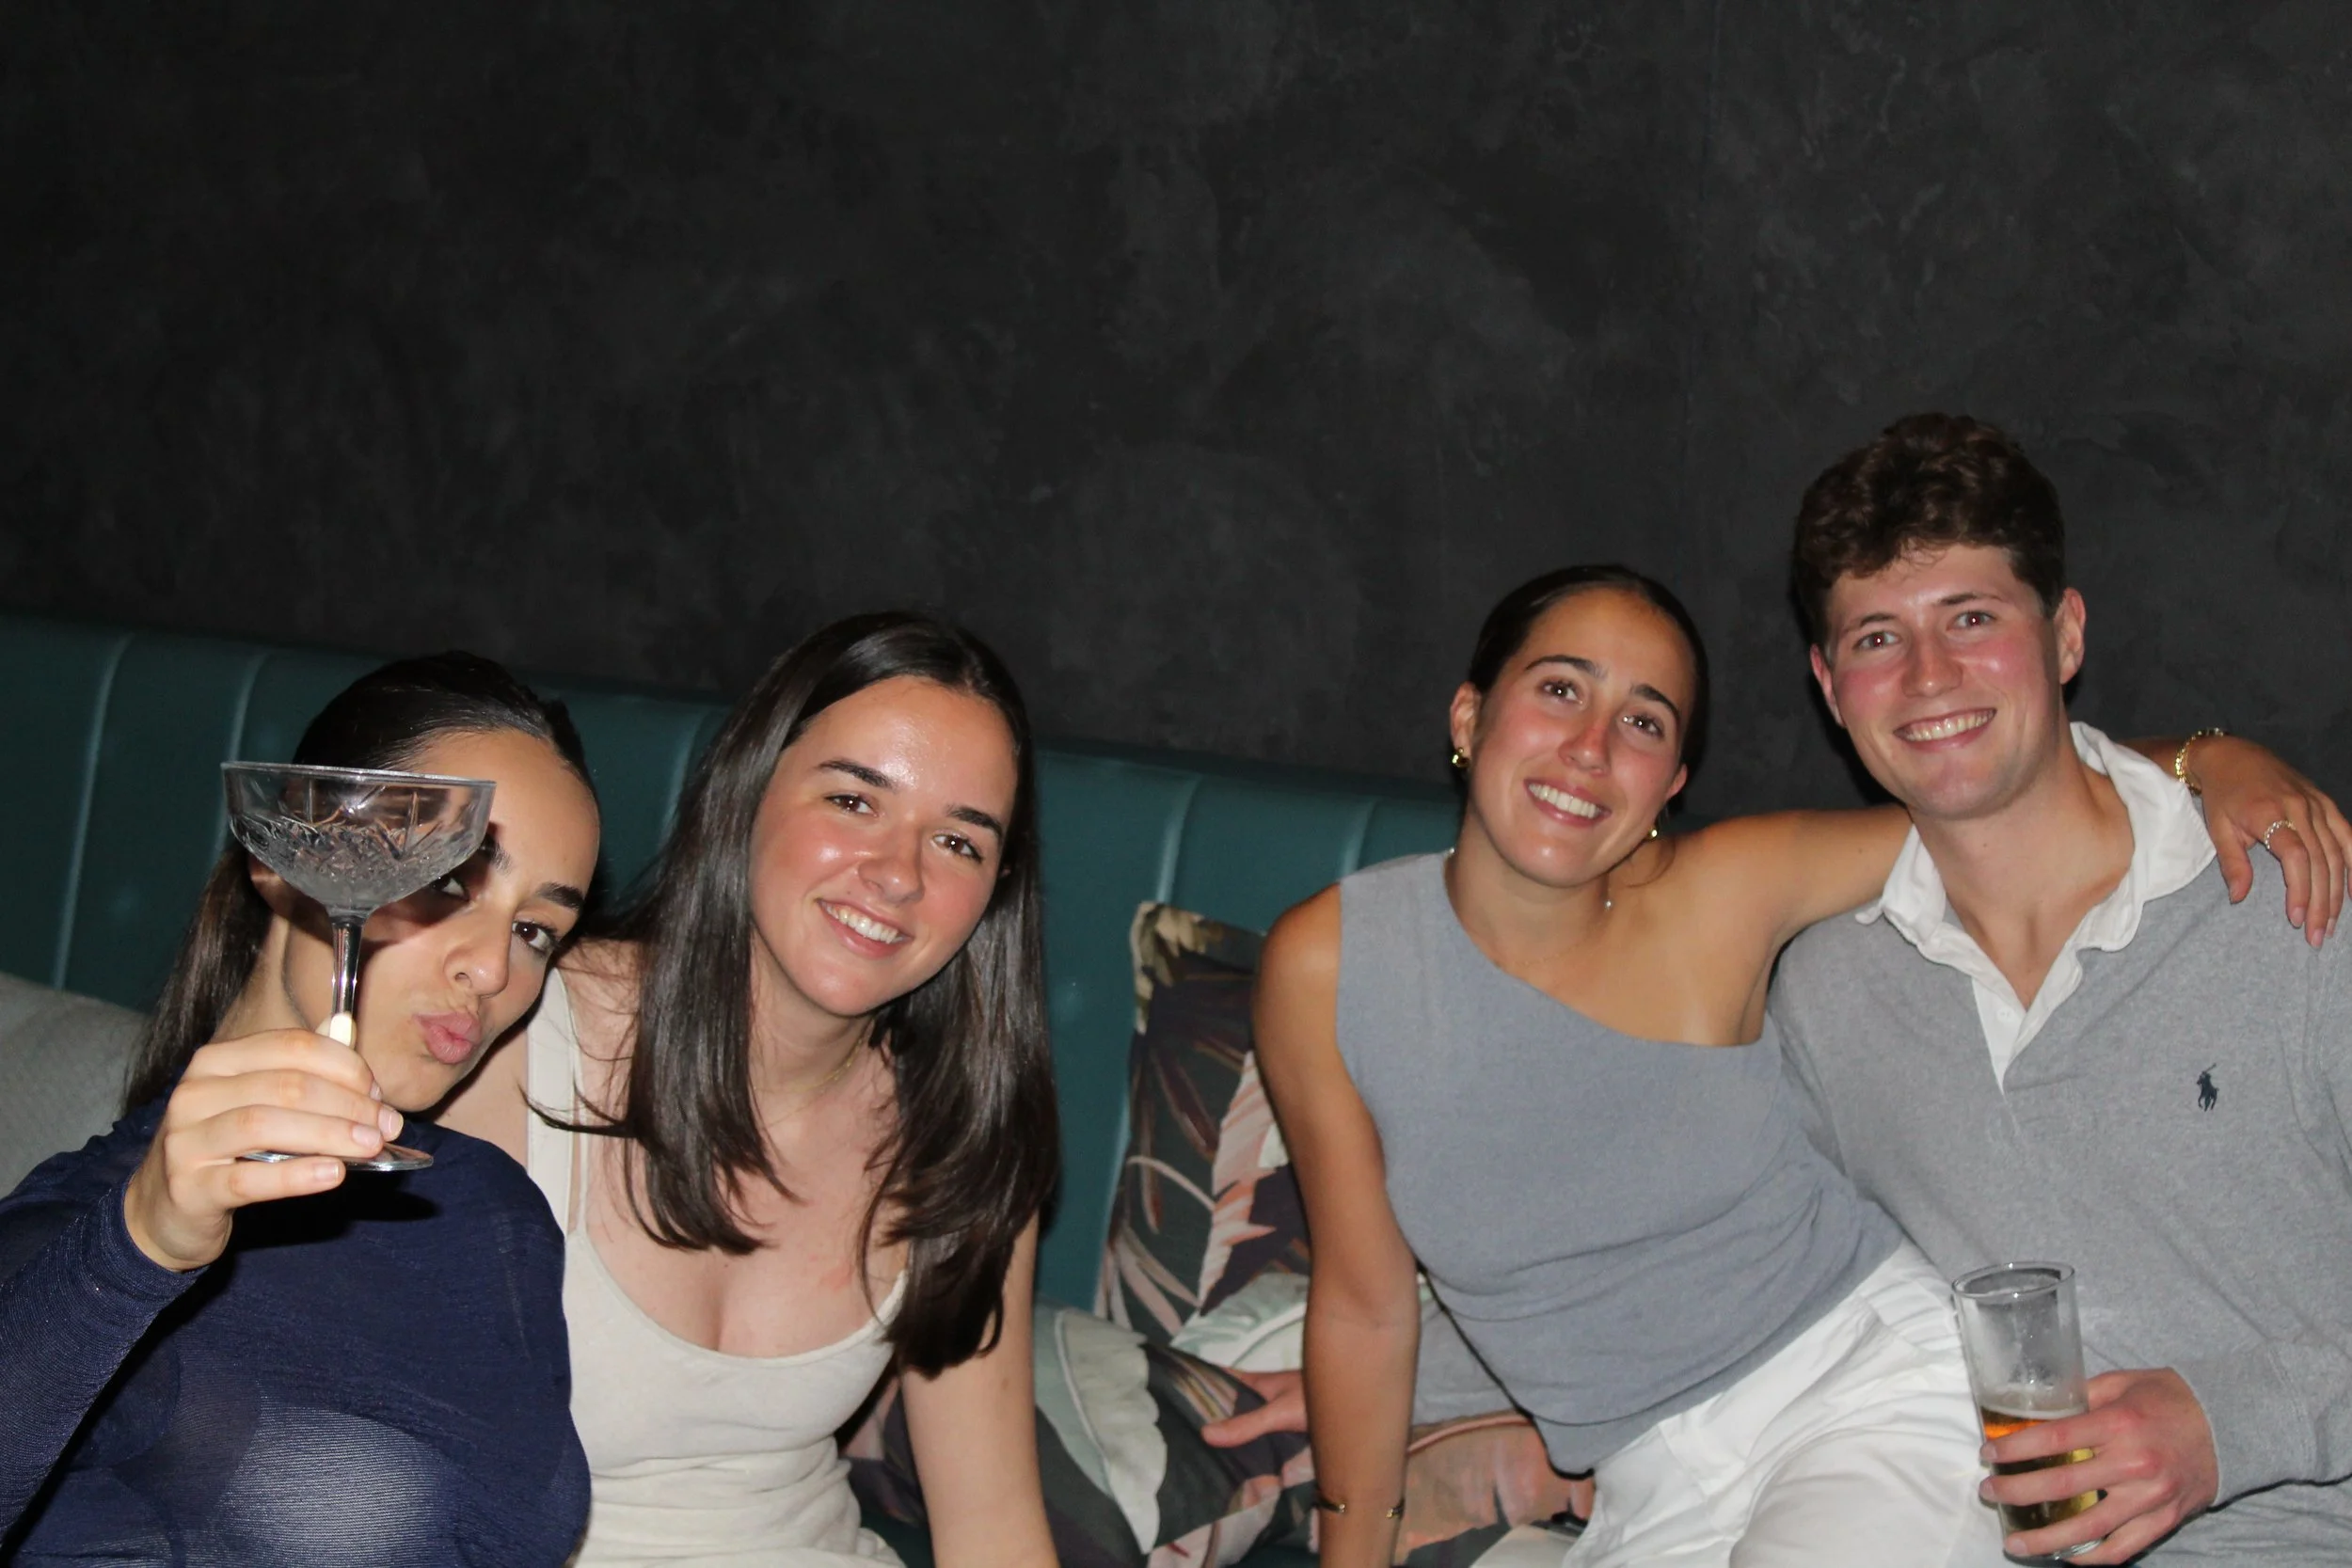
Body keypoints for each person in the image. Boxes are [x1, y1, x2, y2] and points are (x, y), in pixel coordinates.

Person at [1241, 561, 2346, 1568]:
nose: (1590, 749)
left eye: (1643, 720)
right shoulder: (1327, 965)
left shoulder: (1723, 891)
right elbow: (1364, 1304)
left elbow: (2005, 793)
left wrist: (2210, 760)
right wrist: (1355, 1542)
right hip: (1649, 1474)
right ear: (1470, 713)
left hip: (1870, 1385)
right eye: (1560, 689)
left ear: (1672, 778)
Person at [1769, 413, 2352, 1564]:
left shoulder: (2293, 899)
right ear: (1831, 688)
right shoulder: (1830, 990)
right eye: (1878, 637)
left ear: (2065, 634)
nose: (1928, 674)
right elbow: (1727, 1260)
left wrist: (2228, 1421)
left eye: (1972, 618)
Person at [438, 611, 1059, 1568]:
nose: (897, 873)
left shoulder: (960, 1139)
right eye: (854, 800)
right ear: (749, 787)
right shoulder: (514, 1037)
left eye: (959, 843)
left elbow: (993, 1530)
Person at [0, 653, 604, 1564]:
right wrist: (139, 1247)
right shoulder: (87, 1228)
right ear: (285, 861)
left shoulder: (492, 1210)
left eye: (534, 930)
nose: (492, 968)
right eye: (447, 878)